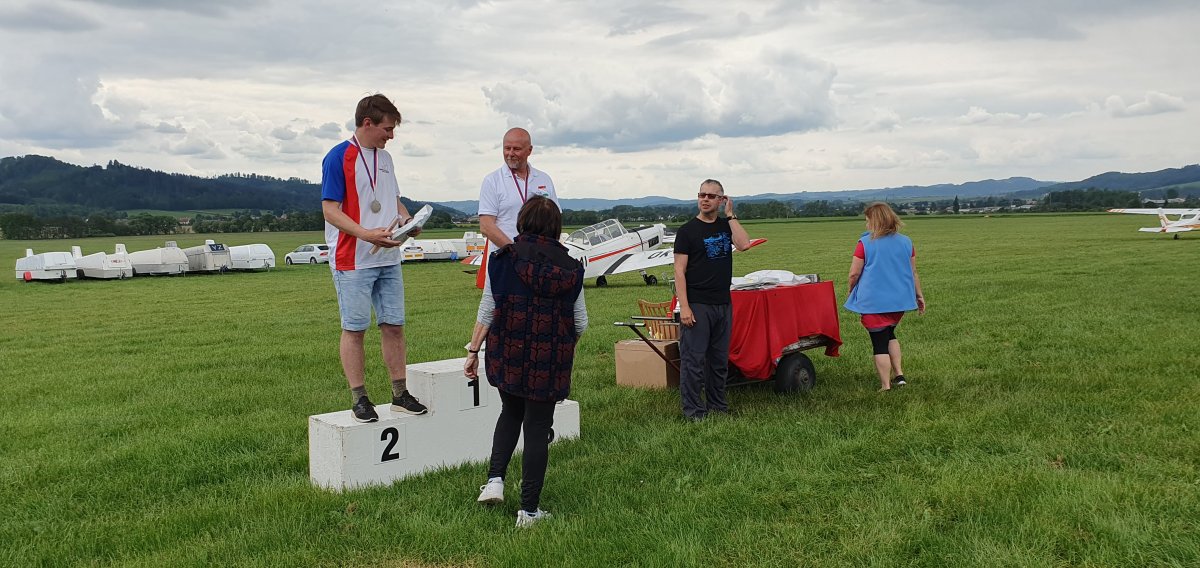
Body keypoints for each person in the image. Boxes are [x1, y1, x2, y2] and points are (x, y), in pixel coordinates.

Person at [464, 195, 588, 528]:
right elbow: (581, 322)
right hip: (549, 359)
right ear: (556, 227)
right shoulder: (572, 267)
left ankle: (495, 480)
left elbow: (488, 310)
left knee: (510, 412)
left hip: (507, 352)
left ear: (522, 222)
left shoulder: (502, 259)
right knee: (537, 428)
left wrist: (474, 350)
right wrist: (563, 346)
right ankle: (529, 511)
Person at [320, 93, 428, 422]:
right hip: (352, 258)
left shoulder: (386, 159)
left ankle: (400, 394)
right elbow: (330, 210)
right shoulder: (338, 157)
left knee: (394, 326)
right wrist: (365, 234)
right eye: (387, 129)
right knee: (355, 329)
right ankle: (360, 399)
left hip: (388, 257)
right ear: (367, 123)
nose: (391, 136)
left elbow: (392, 200)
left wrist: (407, 221)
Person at [672, 179, 753, 421]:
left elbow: (744, 244)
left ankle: (718, 406)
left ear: (721, 200)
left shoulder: (726, 226)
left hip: (723, 303)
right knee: (693, 361)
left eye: (711, 196)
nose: (705, 199)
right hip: (697, 304)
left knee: (718, 361)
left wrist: (731, 216)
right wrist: (685, 307)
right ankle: (694, 411)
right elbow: (679, 271)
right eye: (702, 195)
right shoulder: (687, 231)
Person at [844, 202, 926, 391]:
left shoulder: (865, 243)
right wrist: (919, 295)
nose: (866, 224)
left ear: (875, 221)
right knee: (890, 334)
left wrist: (851, 290)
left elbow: (854, 274)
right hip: (899, 301)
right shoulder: (906, 242)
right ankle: (899, 375)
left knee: (879, 343)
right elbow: (913, 272)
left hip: (873, 302)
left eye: (867, 220)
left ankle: (885, 385)